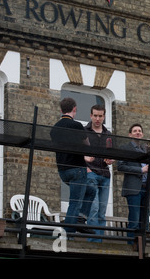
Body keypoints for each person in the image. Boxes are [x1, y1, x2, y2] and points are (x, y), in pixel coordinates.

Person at [50, 97, 96, 234]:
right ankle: (68, 234)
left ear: (61, 110)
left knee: (91, 191)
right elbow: (87, 144)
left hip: (63, 171)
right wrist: (87, 156)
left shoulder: (54, 128)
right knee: (75, 202)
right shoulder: (76, 126)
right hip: (77, 169)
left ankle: (80, 220)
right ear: (74, 109)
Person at [85, 104, 114, 242]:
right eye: (95, 115)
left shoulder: (108, 134)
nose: (97, 118)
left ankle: (99, 243)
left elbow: (112, 154)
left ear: (104, 116)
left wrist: (112, 159)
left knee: (102, 212)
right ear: (91, 116)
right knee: (93, 209)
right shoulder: (84, 132)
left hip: (105, 175)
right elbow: (77, 152)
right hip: (90, 173)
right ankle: (92, 243)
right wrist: (86, 168)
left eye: (100, 116)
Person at [118, 123, 149, 246]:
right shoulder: (125, 148)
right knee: (134, 220)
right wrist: (140, 170)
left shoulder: (145, 149)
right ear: (130, 134)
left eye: (140, 131)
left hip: (145, 188)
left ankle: (143, 246)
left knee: (145, 221)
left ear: (142, 134)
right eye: (135, 131)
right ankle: (131, 245)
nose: (138, 132)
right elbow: (120, 166)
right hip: (133, 188)